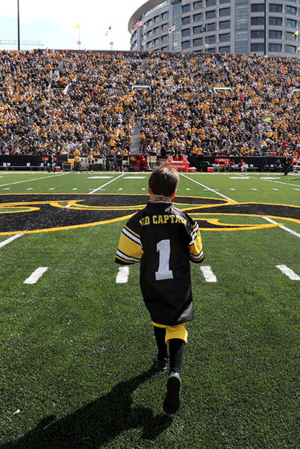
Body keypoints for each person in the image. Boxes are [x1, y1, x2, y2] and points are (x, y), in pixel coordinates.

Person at [115, 165, 204, 415]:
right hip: (178, 281)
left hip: (152, 281)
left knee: (157, 316)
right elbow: (198, 256)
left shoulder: (138, 219)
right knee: (177, 324)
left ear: (149, 190)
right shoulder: (185, 218)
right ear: (175, 194)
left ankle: (161, 358)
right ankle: (175, 371)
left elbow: (125, 256)